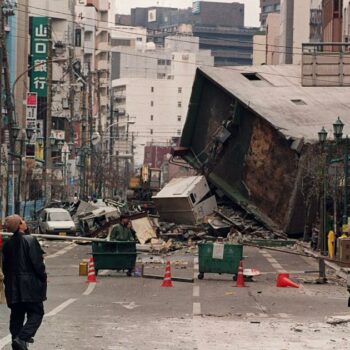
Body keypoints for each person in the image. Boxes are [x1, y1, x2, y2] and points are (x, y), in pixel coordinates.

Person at [2, 215, 47, 350]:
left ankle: (17, 343)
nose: (25, 222)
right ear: (20, 225)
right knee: (37, 312)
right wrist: (42, 277)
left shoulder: (7, 244)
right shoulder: (30, 240)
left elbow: (5, 267)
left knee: (17, 315)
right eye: (23, 221)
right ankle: (22, 338)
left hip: (12, 286)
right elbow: (37, 264)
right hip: (29, 285)